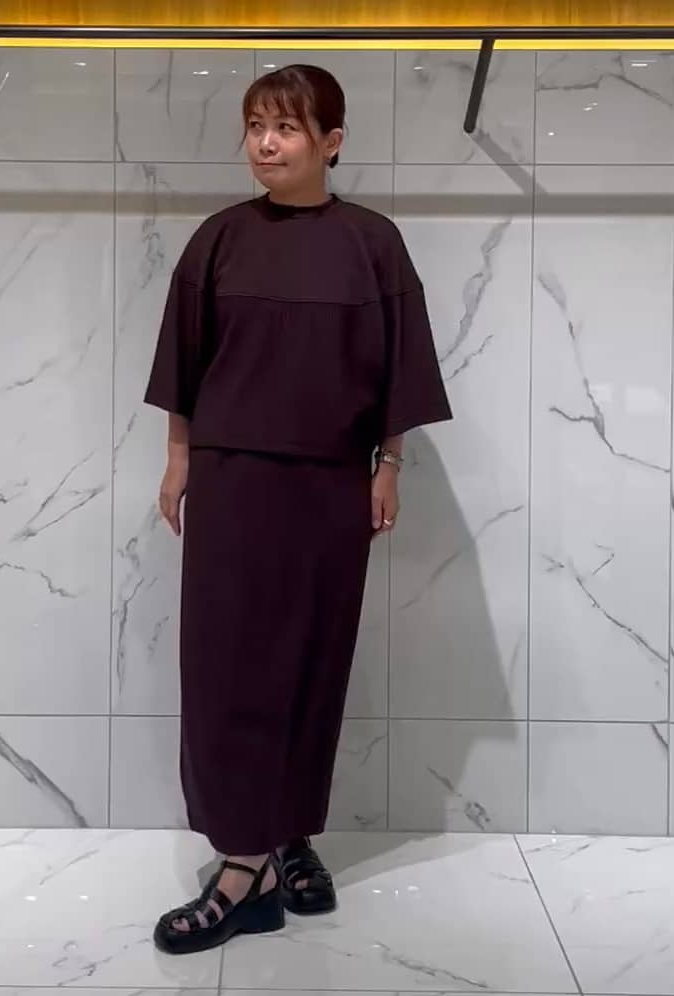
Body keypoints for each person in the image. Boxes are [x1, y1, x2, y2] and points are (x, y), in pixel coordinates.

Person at [144, 63, 452, 957]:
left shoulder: (373, 243)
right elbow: (184, 365)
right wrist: (177, 461)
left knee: (310, 662)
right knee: (226, 664)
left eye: (284, 127)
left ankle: (286, 837)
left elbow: (400, 366)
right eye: (254, 126)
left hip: (329, 487)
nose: (265, 143)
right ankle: (244, 865)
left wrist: (388, 463)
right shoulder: (218, 240)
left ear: (332, 142)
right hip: (233, 481)